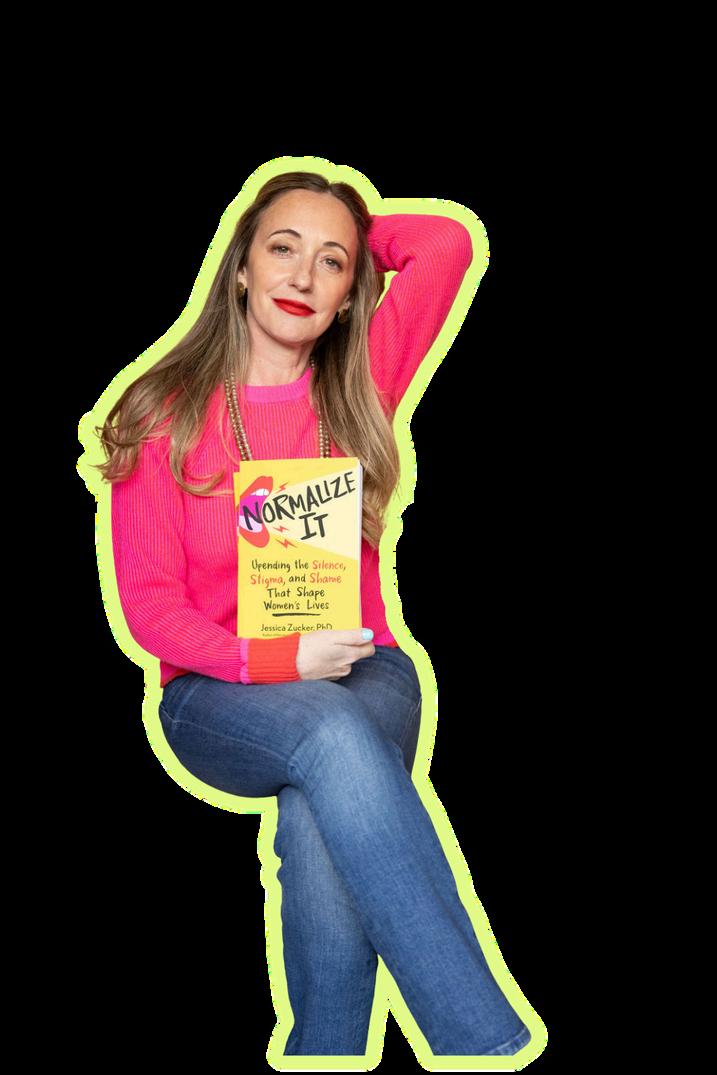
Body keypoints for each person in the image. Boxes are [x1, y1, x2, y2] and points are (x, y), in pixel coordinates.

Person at [98, 171, 532, 1058]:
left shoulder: (359, 380)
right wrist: (272, 660)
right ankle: (480, 1042)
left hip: (363, 664)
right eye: (282, 248)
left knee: (319, 802)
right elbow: (149, 607)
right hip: (216, 689)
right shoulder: (162, 412)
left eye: (330, 263)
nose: (301, 275)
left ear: (347, 294)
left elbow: (445, 245)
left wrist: (350, 228)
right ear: (241, 268)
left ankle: (323, 1054)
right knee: (333, 739)